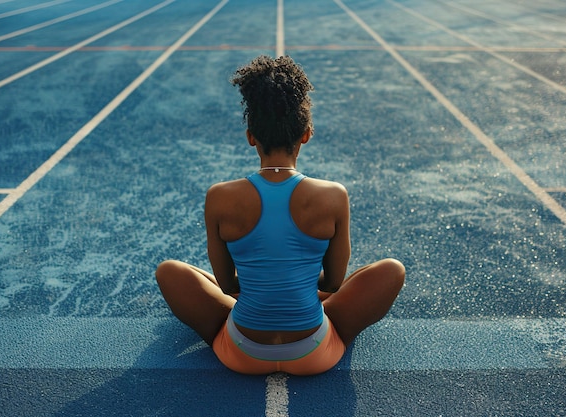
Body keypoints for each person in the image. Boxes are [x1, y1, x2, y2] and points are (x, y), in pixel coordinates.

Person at [156, 55, 405, 376]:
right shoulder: (333, 195)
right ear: (306, 134)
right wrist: (295, 280)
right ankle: (313, 315)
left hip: (241, 351)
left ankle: (248, 320)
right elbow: (333, 282)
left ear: (251, 137)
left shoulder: (220, 196)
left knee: (170, 271)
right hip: (313, 352)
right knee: (390, 270)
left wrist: (266, 279)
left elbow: (228, 285)